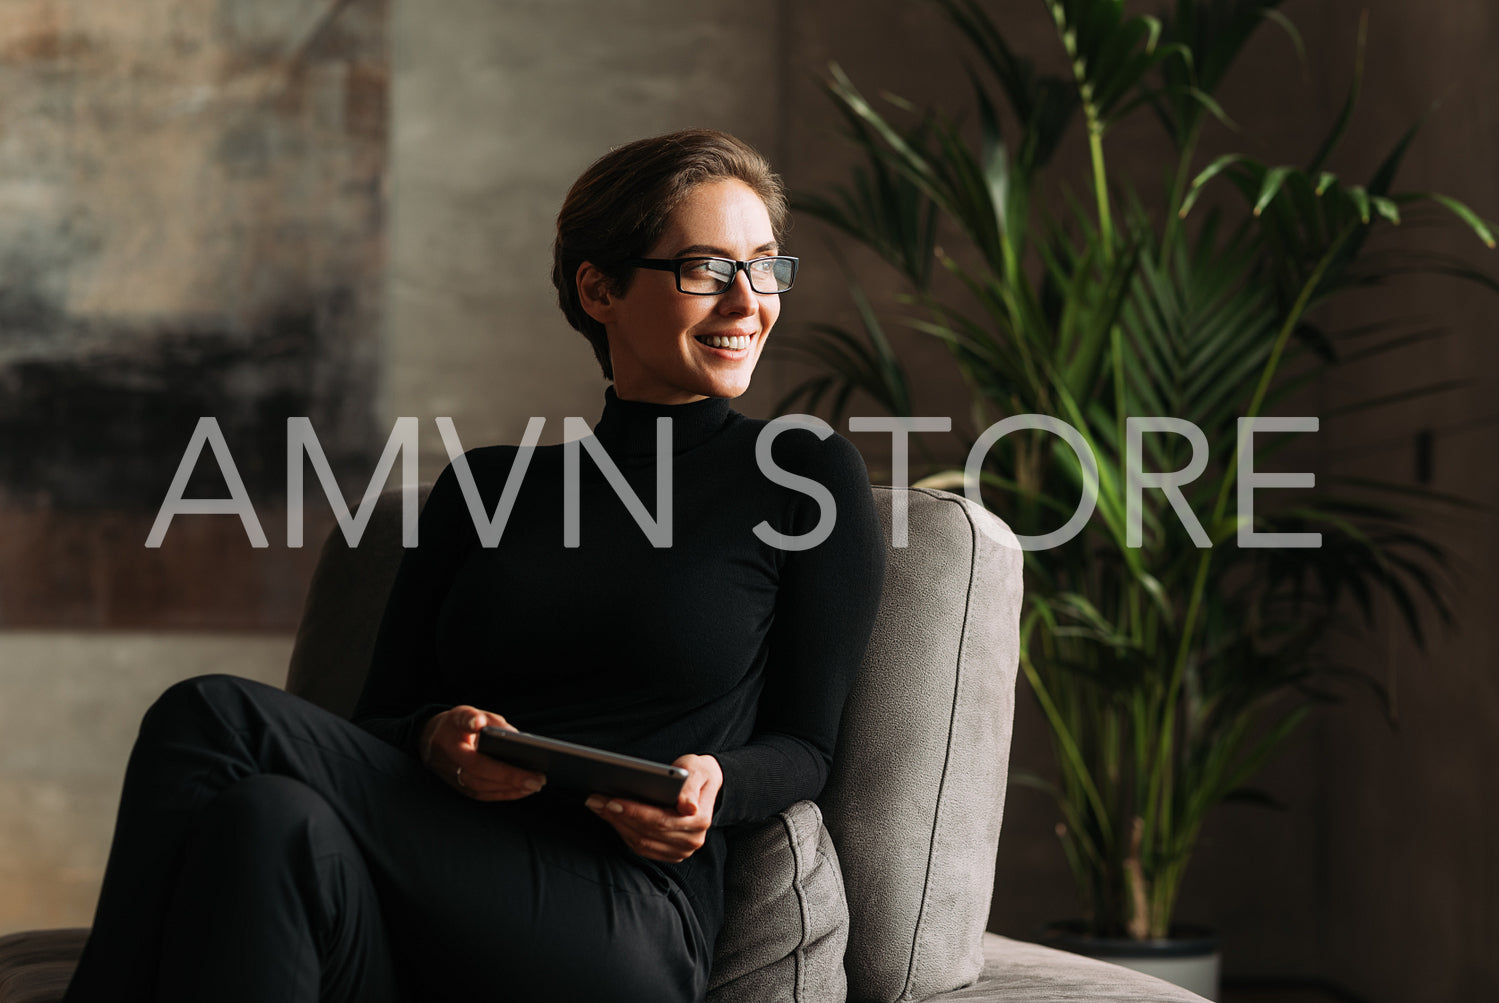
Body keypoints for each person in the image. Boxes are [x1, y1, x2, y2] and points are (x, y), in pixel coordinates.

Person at [63, 129, 884, 1003]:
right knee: (267, 819)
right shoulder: (484, 487)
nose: (747, 301)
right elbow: (374, 723)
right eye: (706, 270)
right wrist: (433, 738)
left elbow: (806, 744)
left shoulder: (801, 473)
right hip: (425, 882)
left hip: (619, 919)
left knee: (209, 713)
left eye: (763, 267)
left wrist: (717, 786)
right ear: (598, 288)